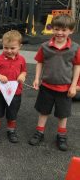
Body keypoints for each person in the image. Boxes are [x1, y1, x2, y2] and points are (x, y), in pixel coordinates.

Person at [28, 14, 80, 151]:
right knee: (43, 111)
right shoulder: (45, 46)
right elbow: (39, 62)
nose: (60, 33)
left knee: (63, 114)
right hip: (46, 86)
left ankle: (61, 136)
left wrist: (74, 85)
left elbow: (77, 66)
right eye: (57, 29)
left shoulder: (75, 48)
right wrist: (37, 78)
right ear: (52, 29)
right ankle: (40, 132)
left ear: (71, 31)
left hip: (65, 89)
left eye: (64, 30)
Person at [0, 30, 27, 144]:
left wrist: (22, 76)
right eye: (6, 47)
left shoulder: (22, 60)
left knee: (12, 113)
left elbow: (24, 71)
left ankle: (11, 131)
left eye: (12, 48)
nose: (9, 51)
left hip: (16, 92)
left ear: (20, 46)